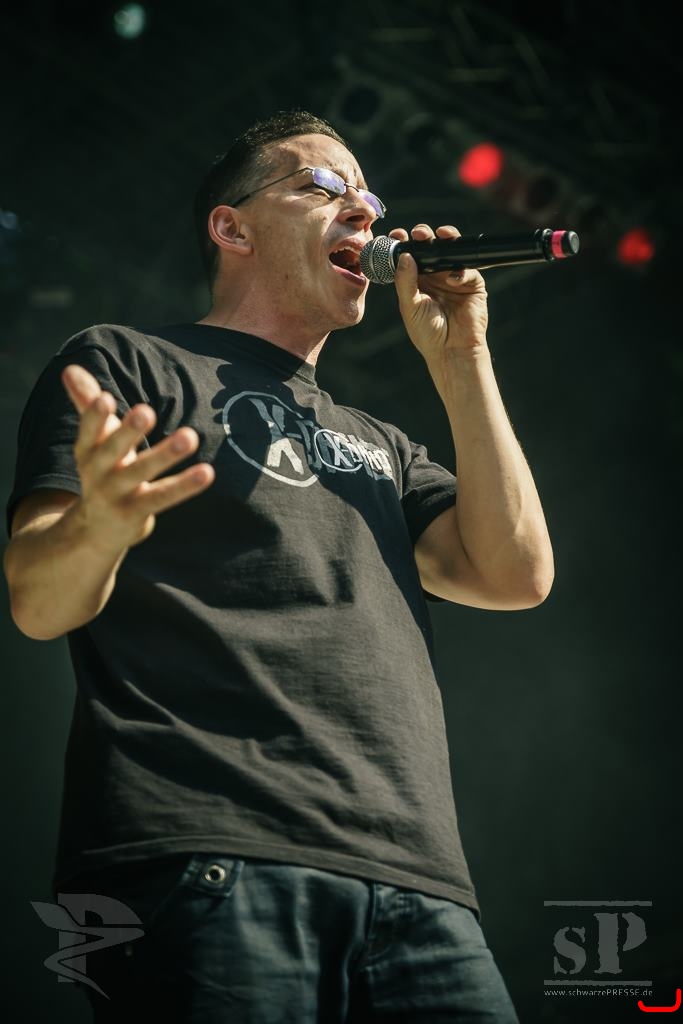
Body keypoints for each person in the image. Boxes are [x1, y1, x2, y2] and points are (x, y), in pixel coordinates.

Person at [4, 109, 553, 1022]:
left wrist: (462, 356)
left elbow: (515, 575)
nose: (363, 212)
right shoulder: (129, 363)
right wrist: (100, 523)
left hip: (417, 888)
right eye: (323, 187)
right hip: (207, 853)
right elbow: (36, 599)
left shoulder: (380, 443)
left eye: (370, 199)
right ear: (232, 228)